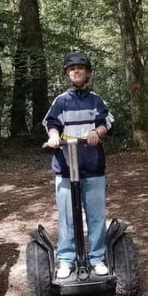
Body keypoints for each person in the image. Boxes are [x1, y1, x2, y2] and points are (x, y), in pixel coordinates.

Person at [43, 52, 114, 279]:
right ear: (67, 74)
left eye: (80, 68)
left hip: (92, 166)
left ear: (87, 73)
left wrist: (96, 132)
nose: (76, 71)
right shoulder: (61, 101)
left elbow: (105, 122)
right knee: (67, 217)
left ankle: (97, 258)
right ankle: (66, 259)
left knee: (96, 216)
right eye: (72, 68)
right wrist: (54, 136)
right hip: (65, 167)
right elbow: (52, 122)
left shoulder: (96, 100)